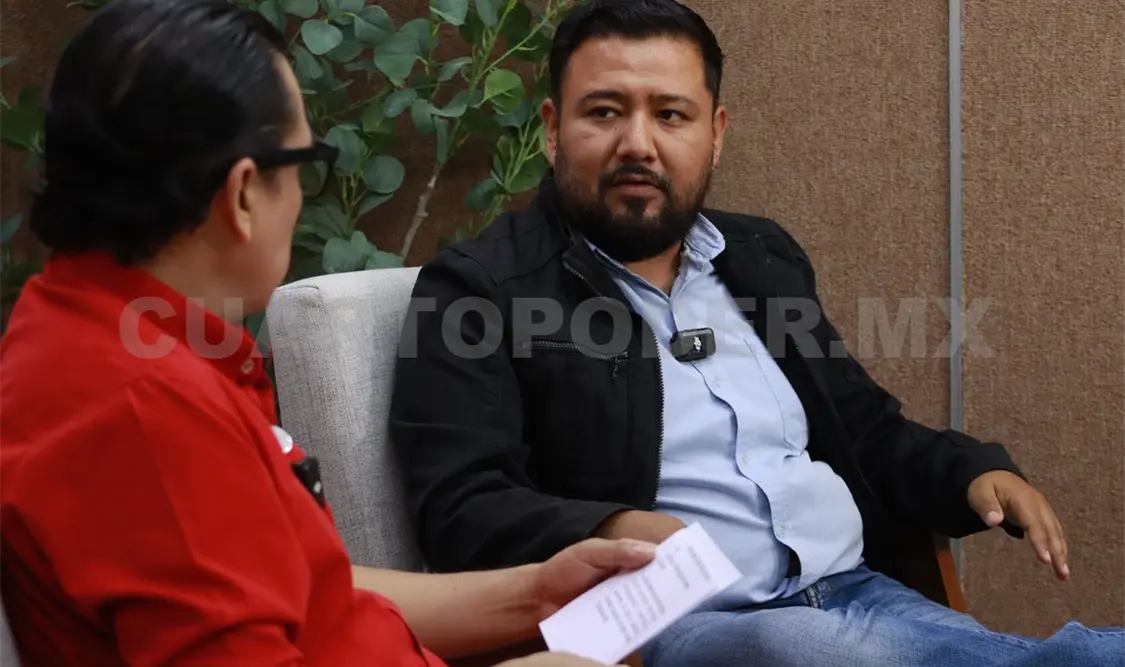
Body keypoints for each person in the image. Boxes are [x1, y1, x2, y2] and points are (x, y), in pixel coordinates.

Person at [388, 1, 1125, 666]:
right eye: (604, 112)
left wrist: (972, 472)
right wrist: (613, 525)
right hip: (682, 626)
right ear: (553, 129)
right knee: (797, 645)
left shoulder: (762, 260)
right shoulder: (480, 289)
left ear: (715, 134)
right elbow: (459, 506)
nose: (637, 143)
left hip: (860, 592)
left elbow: (864, 430)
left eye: (670, 115)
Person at [0, 1, 657, 666]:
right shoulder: (149, 412)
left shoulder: (80, 330)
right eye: (306, 164)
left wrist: (535, 595)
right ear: (244, 193)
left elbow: (304, 588)